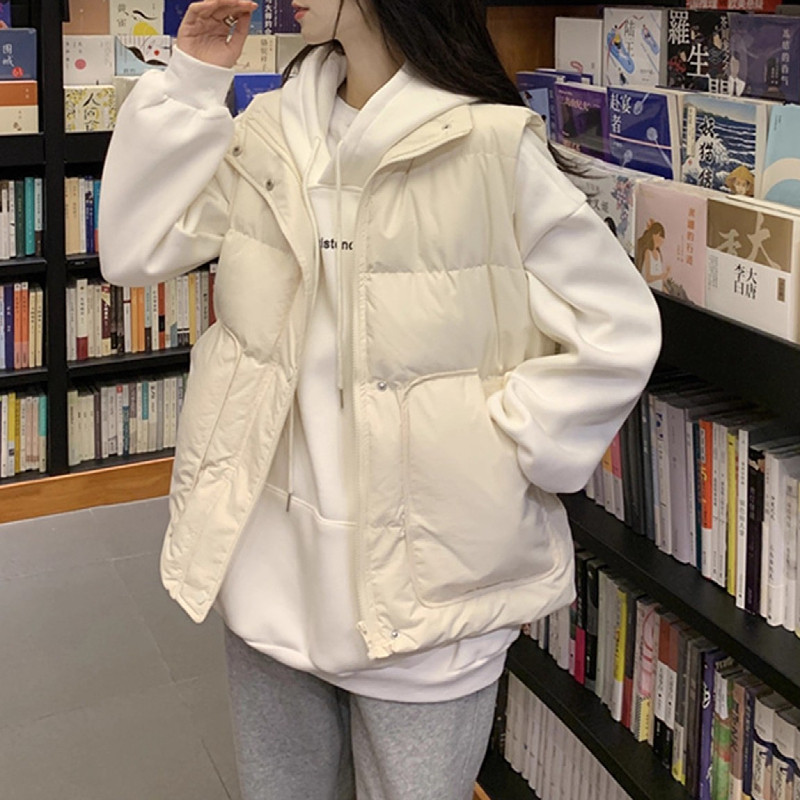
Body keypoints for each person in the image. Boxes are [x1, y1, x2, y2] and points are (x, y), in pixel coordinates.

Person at [98, 1, 661, 797]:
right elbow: (132, 250)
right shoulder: (269, 132)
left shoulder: (490, 146)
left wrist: (505, 450)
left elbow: (618, 328)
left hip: (427, 598)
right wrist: (191, 83)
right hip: (269, 580)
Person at [635, 219, 669, 291]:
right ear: (653, 235)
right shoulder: (648, 253)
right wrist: (661, 276)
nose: (662, 239)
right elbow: (648, 278)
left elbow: (660, 281)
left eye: (662, 237)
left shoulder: (658, 254)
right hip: (648, 291)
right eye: (660, 235)